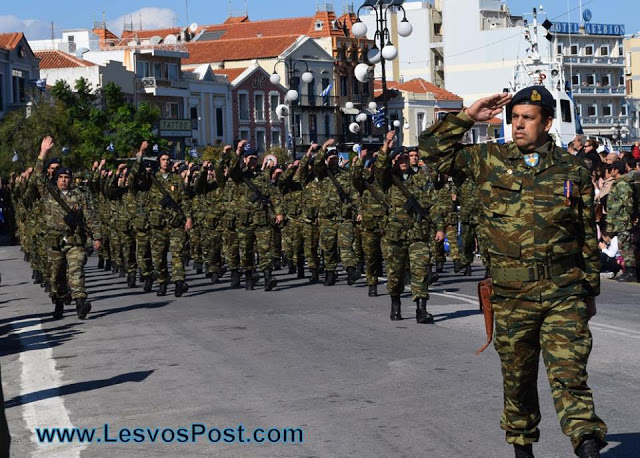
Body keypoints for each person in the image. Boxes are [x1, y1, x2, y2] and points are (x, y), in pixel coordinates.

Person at [421, 86, 607, 457]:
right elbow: (430, 151)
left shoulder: (572, 169)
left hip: (563, 292)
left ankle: (586, 440)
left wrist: (589, 292)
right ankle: (523, 446)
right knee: (519, 380)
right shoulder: (489, 159)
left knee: (570, 374)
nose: (518, 125)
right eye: (514, 117)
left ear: (548, 123)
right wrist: (467, 116)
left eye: (528, 118)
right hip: (511, 295)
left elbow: (586, 233)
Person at [37, 137, 102, 319]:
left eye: (67, 178)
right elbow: (38, 175)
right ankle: (59, 301)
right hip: (54, 241)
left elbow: (90, 217)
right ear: (56, 179)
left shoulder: (79, 196)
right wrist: (43, 153)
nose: (64, 181)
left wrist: (97, 237)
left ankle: (81, 303)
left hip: (74, 240)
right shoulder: (49, 193)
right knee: (56, 277)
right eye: (61, 178)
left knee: (76, 271)